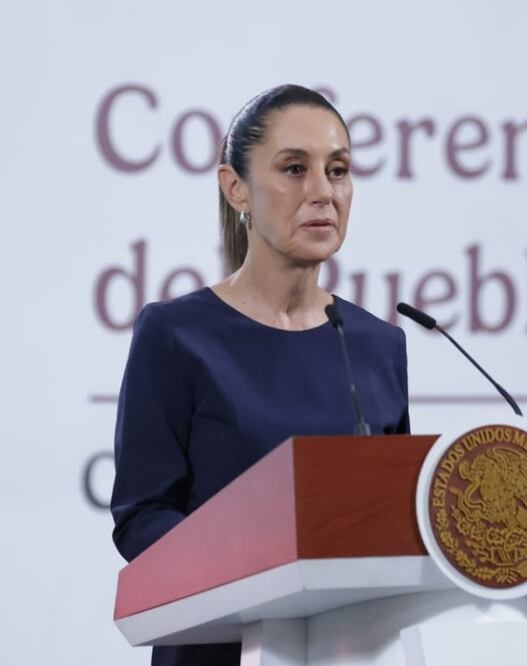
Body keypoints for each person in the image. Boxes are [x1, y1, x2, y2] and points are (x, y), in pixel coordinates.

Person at [110, 85, 410, 666]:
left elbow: (391, 519)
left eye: (339, 169)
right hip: (217, 647)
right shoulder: (175, 334)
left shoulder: (378, 345)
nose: (324, 192)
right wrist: (260, 576)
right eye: (295, 169)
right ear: (236, 187)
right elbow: (142, 516)